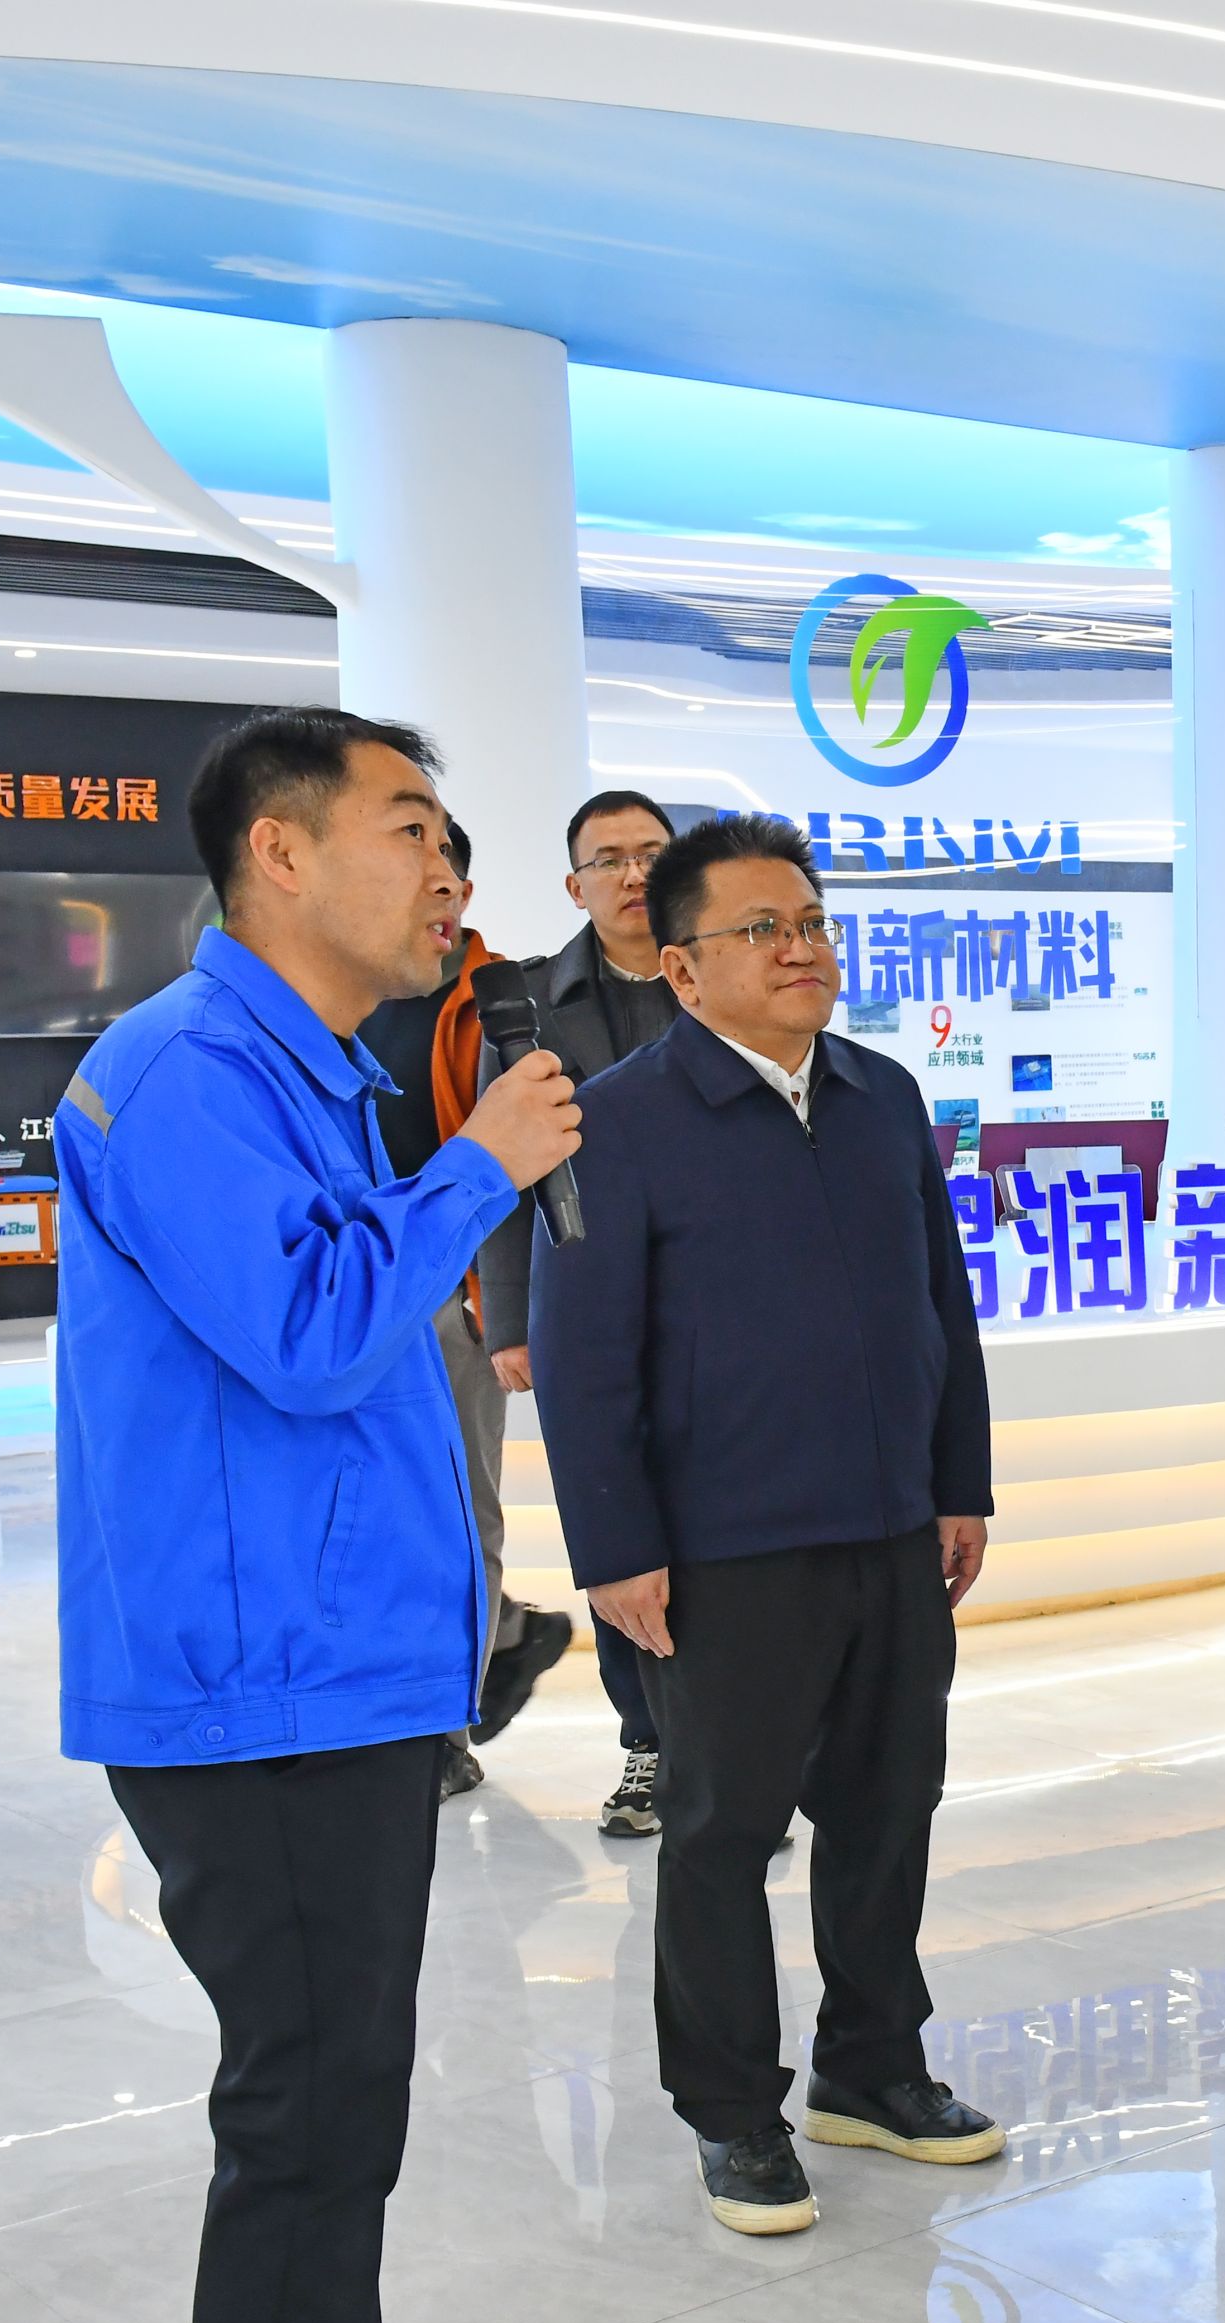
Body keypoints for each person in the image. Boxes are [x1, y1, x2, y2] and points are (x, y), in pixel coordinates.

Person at [54, 707, 582, 2323]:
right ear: (279, 855)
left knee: (344, 2102)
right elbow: (304, 1334)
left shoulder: (309, 1074)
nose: (451, 874)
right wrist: (479, 1167)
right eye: (410, 831)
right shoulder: (187, 1071)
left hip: (329, 1676)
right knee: (301, 2117)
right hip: (248, 1691)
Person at [530, 812, 1001, 2237]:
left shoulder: (880, 1093)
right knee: (721, 1832)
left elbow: (942, 1302)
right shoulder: (614, 1123)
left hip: (891, 1528)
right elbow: (582, 1359)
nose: (801, 949)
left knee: (887, 1811)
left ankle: (873, 2066)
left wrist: (960, 1480)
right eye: (760, 929)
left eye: (810, 922)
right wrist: (614, 1548)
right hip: (721, 1548)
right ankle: (732, 2111)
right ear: (681, 968)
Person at [353, 816, 573, 1799]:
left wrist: (507, 1299)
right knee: (377, 1507)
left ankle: (445, 1723)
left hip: (456, 1289)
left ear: (460, 890)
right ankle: (497, 1638)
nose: (422, 887)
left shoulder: (500, 1002)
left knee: (456, 1508)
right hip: (359, 1282)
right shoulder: (341, 998)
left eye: (436, 869)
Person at [479, 788, 685, 1836]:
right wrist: (512, 1318)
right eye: (609, 859)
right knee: (613, 1523)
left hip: (717, 1300)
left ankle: (735, 1744)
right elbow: (501, 1169)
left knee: (724, 1524)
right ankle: (647, 1743)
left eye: (651, 852)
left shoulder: (723, 973)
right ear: (575, 885)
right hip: (586, 1299)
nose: (633, 874)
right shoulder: (527, 1005)